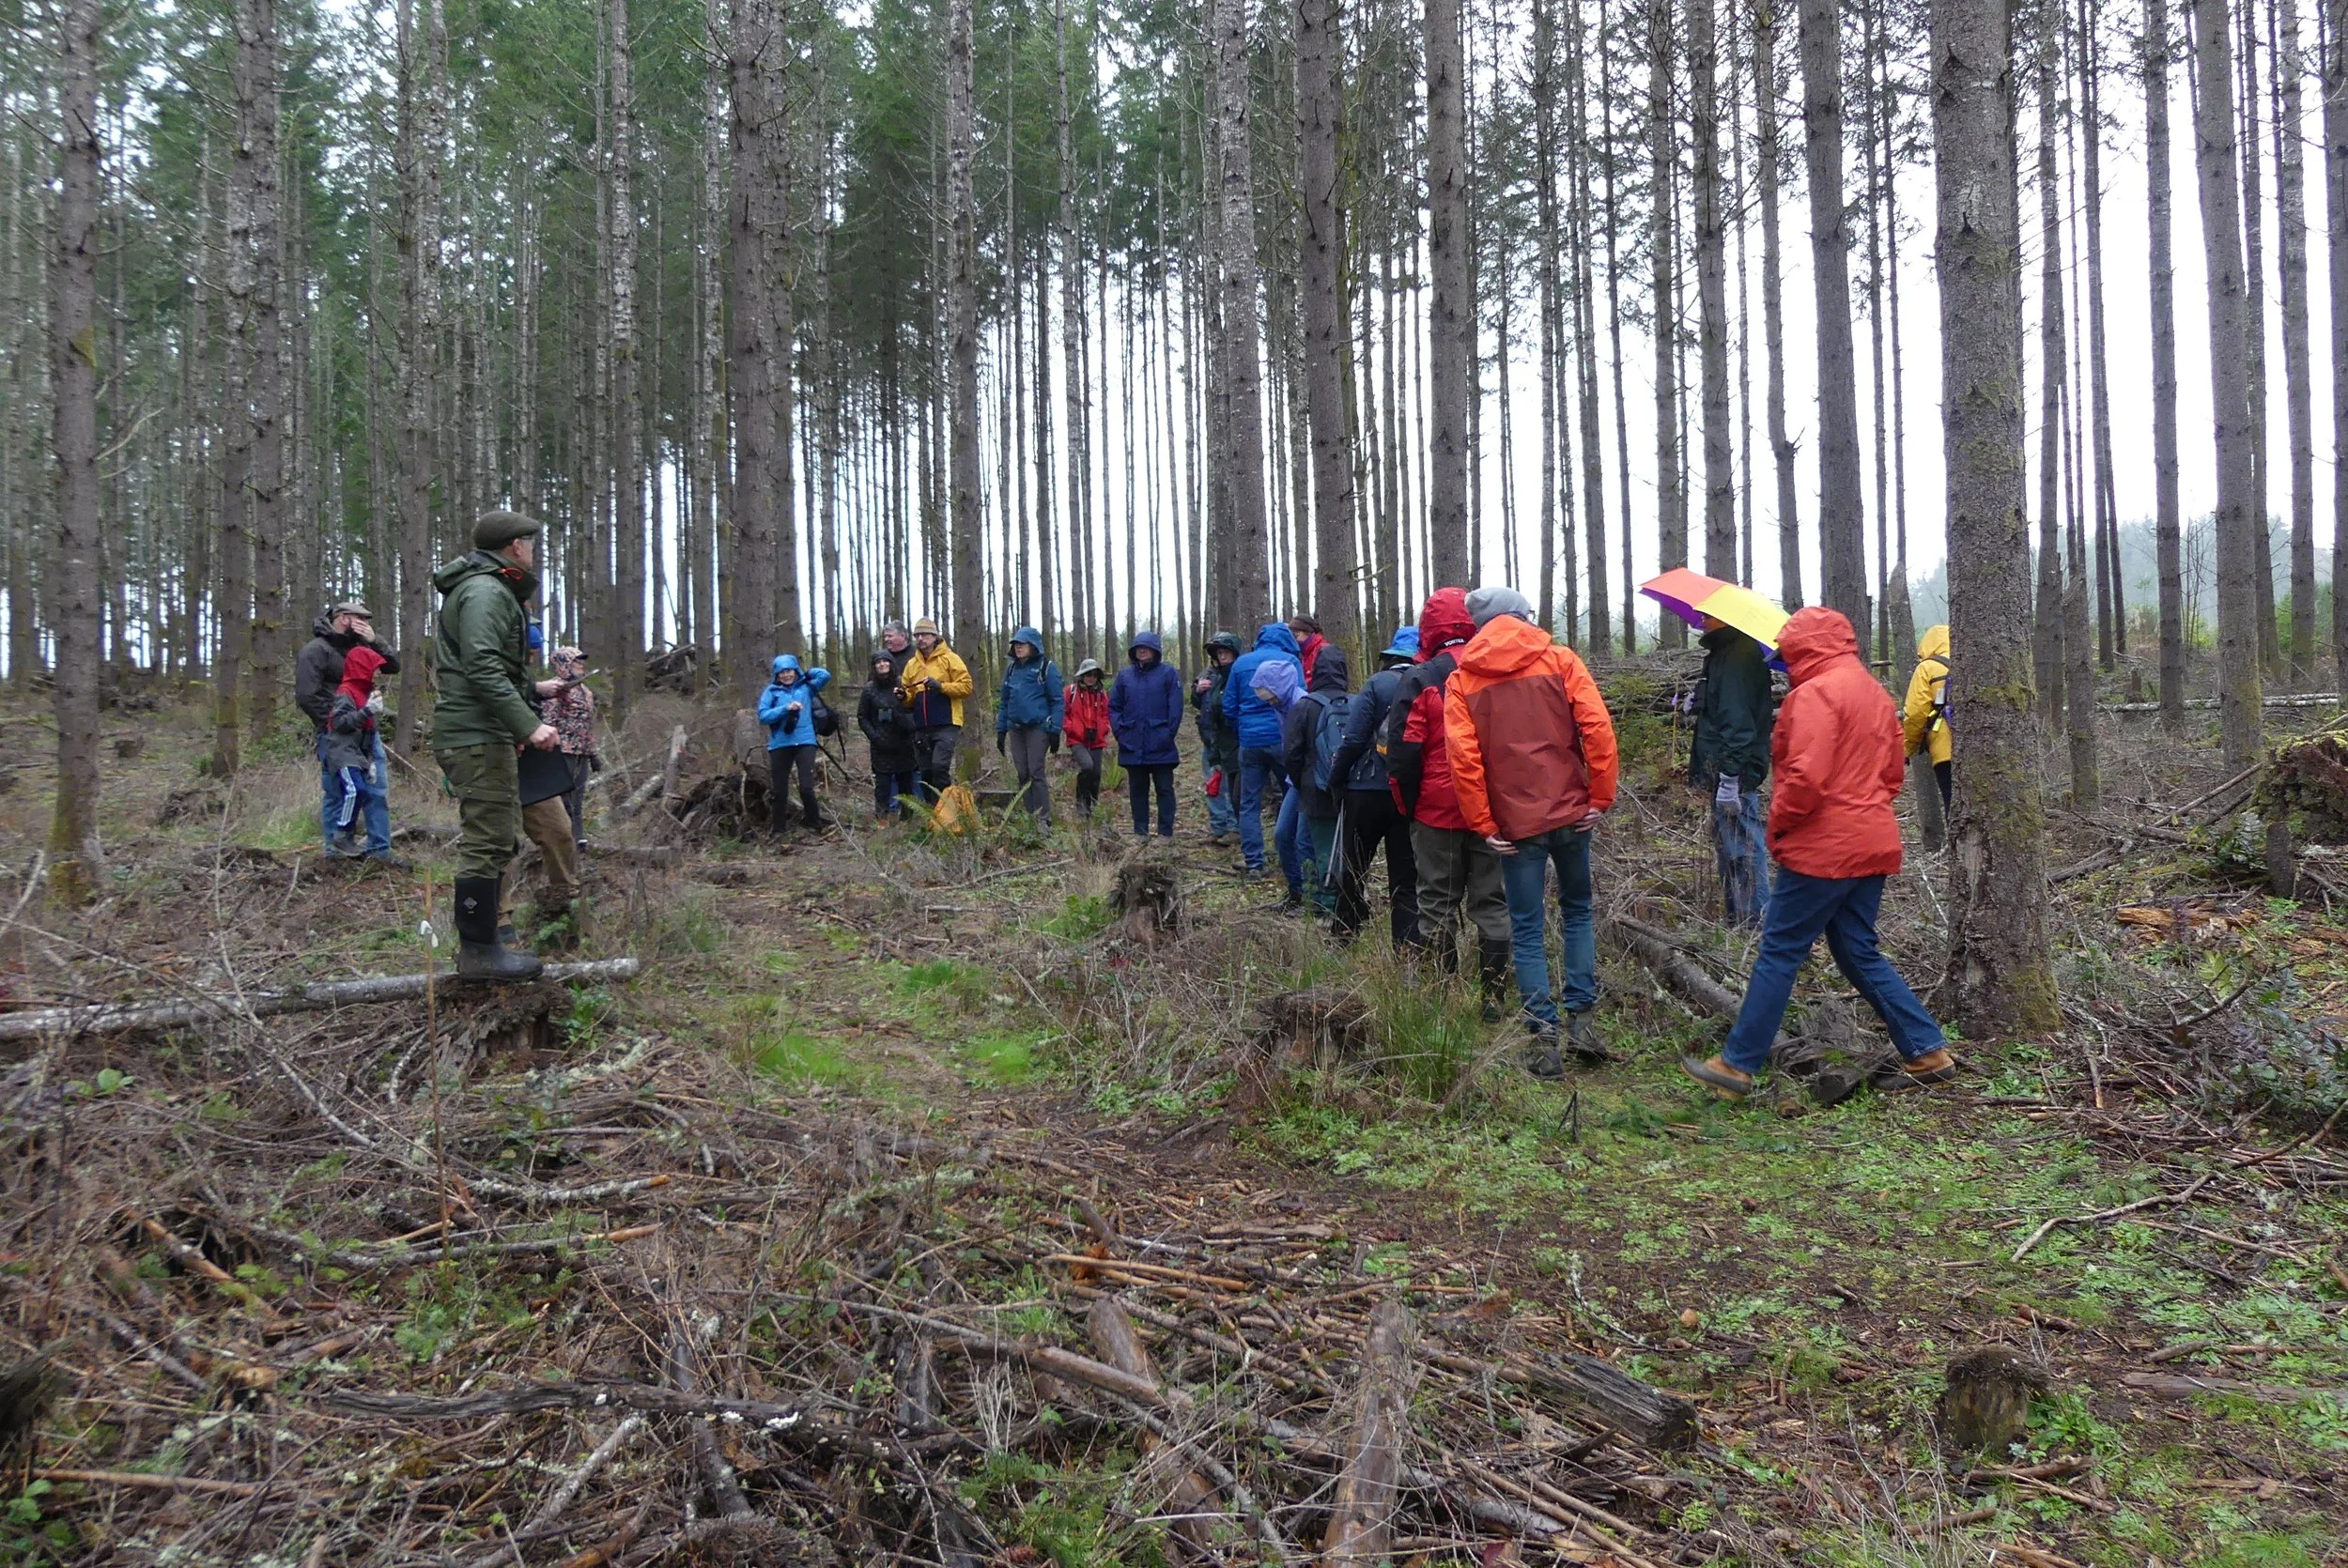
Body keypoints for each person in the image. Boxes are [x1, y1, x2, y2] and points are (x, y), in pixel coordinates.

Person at [1682, 608, 1961, 1100]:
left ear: (1802, 649)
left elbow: (1805, 777)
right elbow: (1892, 773)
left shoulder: (1814, 694)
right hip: (1872, 838)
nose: (1783, 663)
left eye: (1786, 653)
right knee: (1856, 948)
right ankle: (1926, 1050)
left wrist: (1780, 826)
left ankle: (1736, 1065)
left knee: (1779, 949)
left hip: (1823, 846)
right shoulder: (1874, 693)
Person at [1445, 586, 1619, 1078]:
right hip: (1570, 813)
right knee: (1578, 911)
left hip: (1514, 827)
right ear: (1522, 617)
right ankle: (1582, 1021)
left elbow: (1464, 758)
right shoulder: (1560, 659)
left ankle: (1543, 1040)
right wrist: (1600, 795)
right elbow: (1597, 728)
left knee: (1526, 928)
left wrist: (1483, 821)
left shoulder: (1462, 679)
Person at [431, 512, 562, 981]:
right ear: (514, 546)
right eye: (529, 542)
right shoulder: (486, 592)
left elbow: (495, 669)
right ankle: (479, 953)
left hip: (485, 730)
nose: (532, 550)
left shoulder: (490, 589)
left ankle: (483, 948)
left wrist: (530, 693)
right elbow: (482, 665)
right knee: (486, 841)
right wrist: (528, 725)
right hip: (475, 732)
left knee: (497, 837)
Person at [1387, 588, 1512, 1015]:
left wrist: (1409, 806)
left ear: (1429, 629)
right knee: (1491, 902)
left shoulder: (1421, 677)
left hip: (1436, 810)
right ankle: (1493, 1000)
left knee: (1435, 903)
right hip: (1494, 810)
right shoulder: (1498, 669)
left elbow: (1403, 752)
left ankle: (1442, 999)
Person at [1325, 627, 1422, 948]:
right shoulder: (1430, 683)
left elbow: (1352, 739)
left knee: (1354, 865)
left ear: (1390, 658)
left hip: (1365, 789)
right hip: (1407, 792)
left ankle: (1344, 933)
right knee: (1405, 876)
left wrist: (1336, 778)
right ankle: (1406, 946)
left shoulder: (1377, 684)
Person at [295, 602, 402, 862]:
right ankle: (335, 853)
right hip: (336, 735)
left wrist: (375, 640)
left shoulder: (362, 646)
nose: (365, 623)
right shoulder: (315, 651)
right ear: (343, 618)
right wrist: (335, 724)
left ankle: (380, 851)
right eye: (360, 618)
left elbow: (392, 666)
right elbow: (307, 696)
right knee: (336, 791)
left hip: (367, 732)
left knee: (376, 790)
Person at [1690, 617, 1776, 928]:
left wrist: (1730, 777)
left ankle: (1755, 924)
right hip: (1726, 769)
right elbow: (1723, 707)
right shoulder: (1724, 654)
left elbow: (1738, 724)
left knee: (1743, 848)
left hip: (1734, 773)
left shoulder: (1738, 657)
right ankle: (1738, 921)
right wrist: (1696, 700)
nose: (1701, 620)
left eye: (1707, 616)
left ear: (1724, 619)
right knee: (1731, 848)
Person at [1222, 623, 1305, 879]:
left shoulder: (1241, 663)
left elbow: (1229, 706)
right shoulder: (1291, 661)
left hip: (1250, 741)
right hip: (1283, 742)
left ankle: (1254, 862)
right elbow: (1301, 700)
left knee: (1249, 803)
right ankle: (1290, 858)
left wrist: (1244, 729)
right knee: (1291, 795)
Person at [1278, 644, 1352, 914]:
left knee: (1312, 847)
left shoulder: (1305, 706)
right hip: (1345, 790)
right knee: (1338, 848)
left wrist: (1301, 782)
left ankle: (1324, 907)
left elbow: (1291, 753)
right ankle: (1337, 901)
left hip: (1313, 790)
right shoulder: (1353, 702)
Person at [1111, 631, 1185, 839]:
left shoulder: (1168, 673)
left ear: (1155, 650)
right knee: (1137, 790)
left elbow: (1176, 708)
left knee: (1164, 789)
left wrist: (1167, 734)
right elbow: (1114, 706)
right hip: (1132, 742)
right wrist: (1120, 732)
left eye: (1146, 647)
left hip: (1160, 743)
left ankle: (1165, 833)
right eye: (1138, 648)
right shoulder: (1125, 676)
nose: (1142, 651)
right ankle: (1140, 832)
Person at [322, 642, 388, 857]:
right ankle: (342, 835)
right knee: (354, 790)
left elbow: (368, 733)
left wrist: (369, 763)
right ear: (363, 667)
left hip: (357, 754)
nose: (378, 673)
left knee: (360, 790)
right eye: (375, 667)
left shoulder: (365, 693)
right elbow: (340, 723)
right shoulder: (346, 692)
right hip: (342, 752)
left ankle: (347, 838)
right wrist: (367, 711)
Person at [996, 627, 1065, 827]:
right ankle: (1029, 817)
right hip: (1016, 729)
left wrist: (1055, 730)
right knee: (1022, 773)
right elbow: (1004, 701)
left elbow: (1057, 701)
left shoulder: (1047, 668)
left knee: (1036, 771)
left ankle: (1043, 819)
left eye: (1022, 644)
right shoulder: (1011, 669)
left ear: (1033, 646)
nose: (1018, 648)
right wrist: (1001, 730)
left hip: (1038, 728)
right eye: (1016, 644)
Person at [899, 617, 974, 802]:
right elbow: (909, 697)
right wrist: (903, 697)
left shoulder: (950, 659)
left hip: (946, 723)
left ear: (934, 636)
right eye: (917, 635)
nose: (921, 639)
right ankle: (932, 813)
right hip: (921, 726)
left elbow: (966, 687)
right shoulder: (912, 664)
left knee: (939, 767)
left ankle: (947, 811)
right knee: (926, 773)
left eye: (925, 635)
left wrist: (940, 686)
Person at [758, 653, 833, 832]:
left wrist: (806, 673)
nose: (786, 675)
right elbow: (763, 716)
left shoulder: (806, 688)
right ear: (777, 675)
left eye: (789, 671)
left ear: (795, 671)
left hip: (805, 742)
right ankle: (779, 830)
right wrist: (785, 709)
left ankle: (814, 824)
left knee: (806, 787)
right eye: (782, 672)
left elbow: (825, 675)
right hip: (780, 744)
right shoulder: (771, 691)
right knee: (779, 790)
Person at [1194, 632, 1244, 845]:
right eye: (1220, 653)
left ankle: (1235, 828)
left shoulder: (1240, 674)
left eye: (1226, 652)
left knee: (1234, 787)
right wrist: (1198, 691)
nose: (1223, 657)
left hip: (1233, 740)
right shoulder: (1209, 674)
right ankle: (1218, 826)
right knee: (1213, 784)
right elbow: (1200, 705)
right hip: (1211, 738)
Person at [546, 646, 596, 851]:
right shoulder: (555, 689)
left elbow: (587, 725)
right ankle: (562, 839)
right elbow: (548, 722)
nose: (581, 665)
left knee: (578, 798)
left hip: (581, 753)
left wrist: (593, 753)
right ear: (564, 664)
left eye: (582, 661)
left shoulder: (586, 692)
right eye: (576, 661)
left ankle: (578, 837)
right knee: (563, 799)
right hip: (562, 751)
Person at [859, 651, 919, 820]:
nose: (882, 665)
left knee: (906, 783)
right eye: (878, 662)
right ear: (874, 666)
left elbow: (912, 708)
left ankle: (908, 819)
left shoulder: (902, 684)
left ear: (891, 664)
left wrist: (908, 725)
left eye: (885, 661)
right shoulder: (869, 689)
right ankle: (882, 819)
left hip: (904, 742)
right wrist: (875, 737)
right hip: (880, 745)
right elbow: (862, 716)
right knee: (882, 785)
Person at [1903, 623, 1954, 814]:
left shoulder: (1927, 668)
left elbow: (1916, 714)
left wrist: (1906, 749)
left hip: (1945, 750)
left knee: (1955, 808)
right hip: (1985, 750)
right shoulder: (1974, 661)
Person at [1063, 659, 1110, 820]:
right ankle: (1081, 803)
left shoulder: (1101, 693)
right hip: (1077, 740)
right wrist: (1071, 729)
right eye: (1087, 674)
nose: (1091, 677)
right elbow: (1063, 713)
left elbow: (1106, 714)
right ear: (1081, 675)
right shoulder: (1071, 692)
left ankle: (1092, 805)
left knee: (1096, 774)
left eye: (1094, 674)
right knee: (1087, 767)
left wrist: (1103, 728)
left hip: (1096, 739)